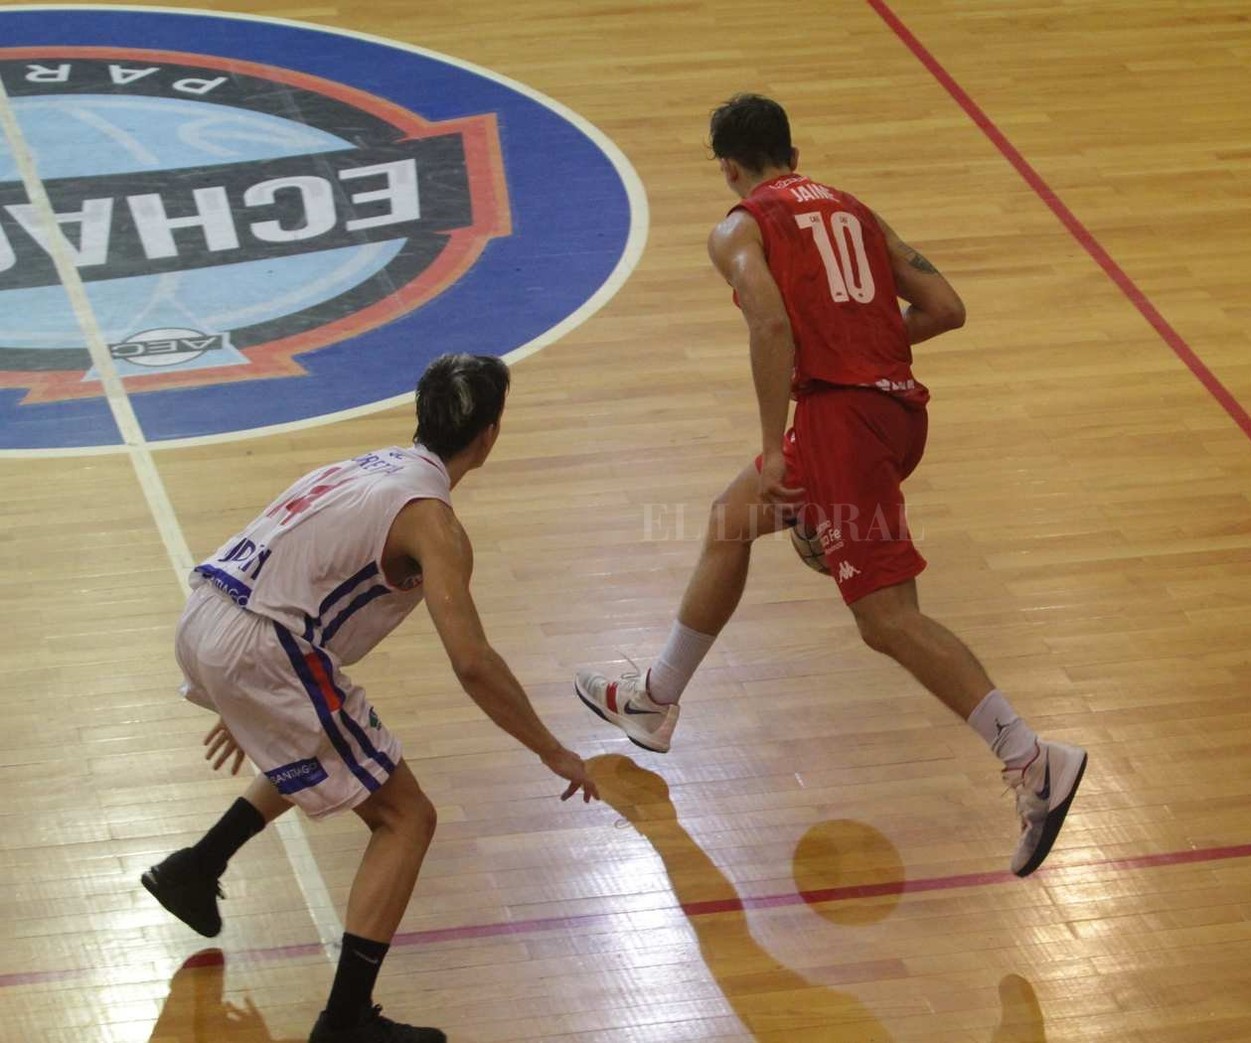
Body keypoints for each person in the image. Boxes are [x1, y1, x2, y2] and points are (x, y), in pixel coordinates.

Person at [575, 95, 1087, 879]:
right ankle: (655, 694)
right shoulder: (855, 211)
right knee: (730, 519)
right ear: (793, 152)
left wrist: (771, 443)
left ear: (729, 167)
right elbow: (945, 308)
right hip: (893, 412)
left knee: (886, 619)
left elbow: (770, 326)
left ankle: (1030, 757)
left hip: (839, 422)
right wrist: (865, 348)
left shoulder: (740, 227)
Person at [141, 354, 599, 1043]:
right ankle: (346, 1020)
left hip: (209, 610)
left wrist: (246, 688)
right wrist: (553, 750)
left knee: (330, 742)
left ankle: (195, 867)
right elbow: (473, 663)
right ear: (489, 435)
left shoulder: (365, 466)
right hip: (263, 645)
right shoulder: (434, 524)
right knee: (407, 817)